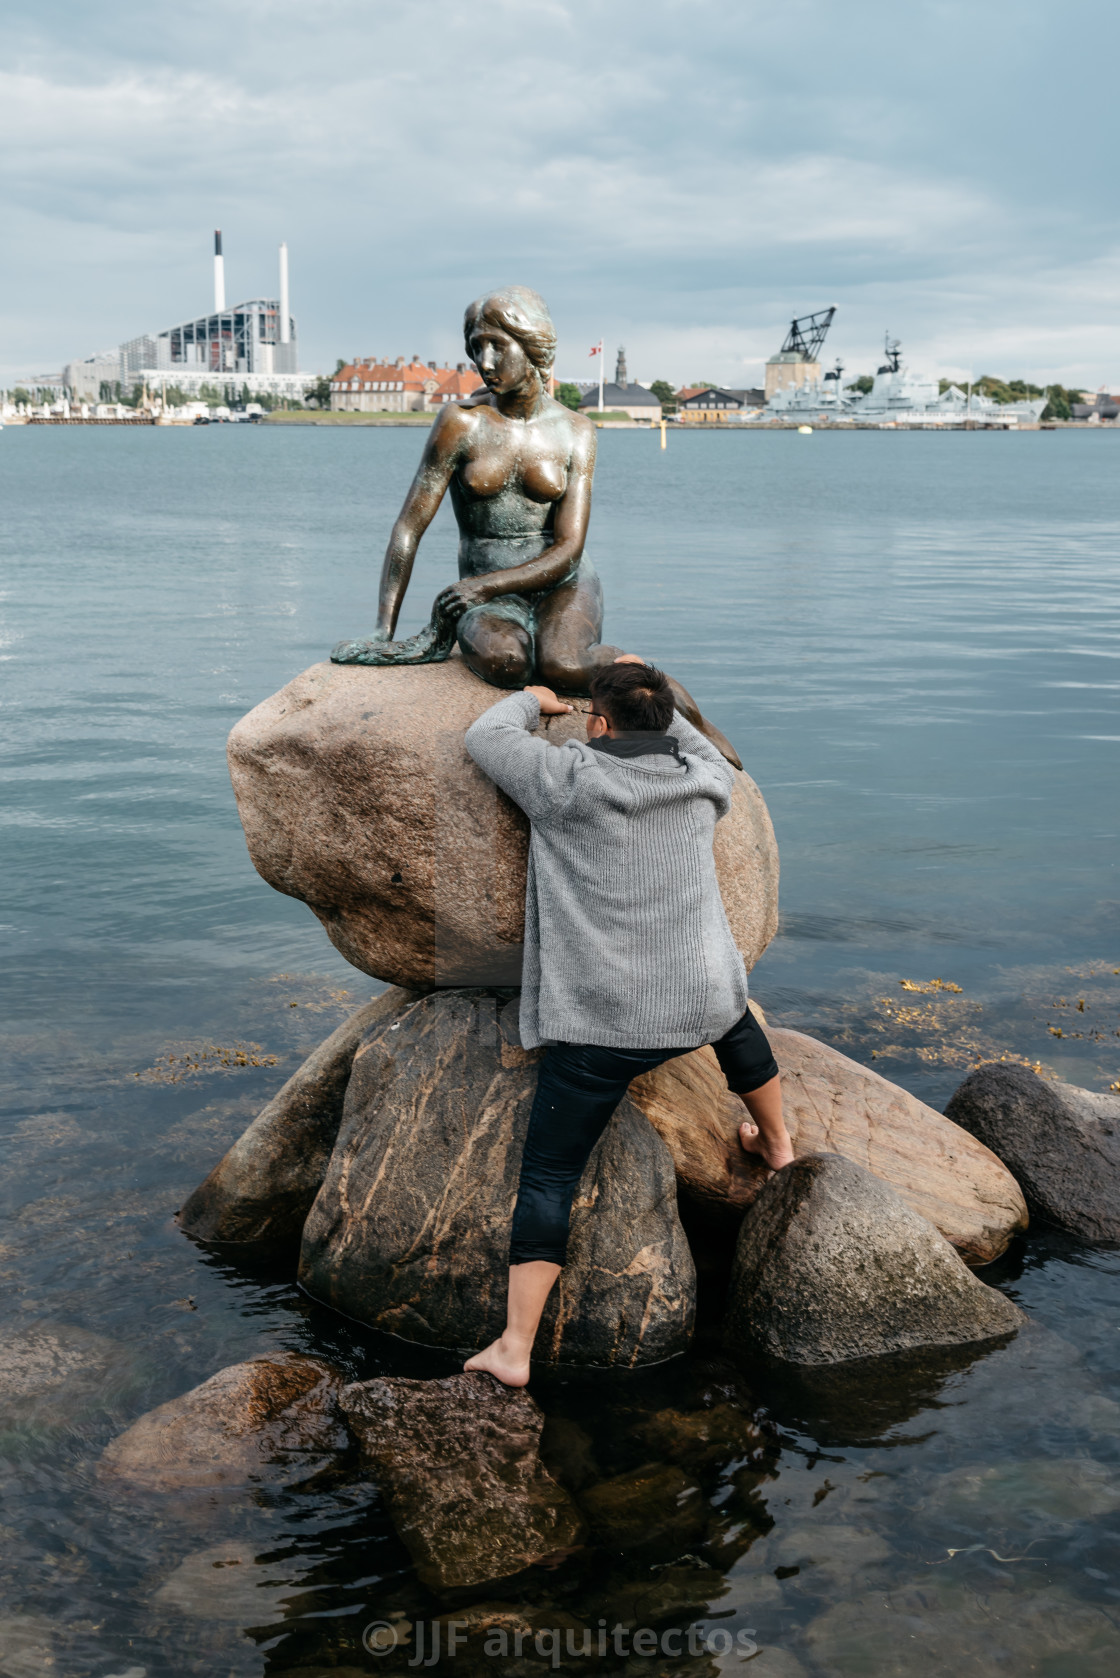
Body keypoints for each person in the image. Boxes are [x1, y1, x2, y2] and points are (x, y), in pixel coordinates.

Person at [462, 656, 794, 1387]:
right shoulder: (703, 781)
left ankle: (515, 1349)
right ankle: (777, 1147)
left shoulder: (569, 782)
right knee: (738, 1029)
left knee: (549, 1174)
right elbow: (704, 743)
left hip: (607, 1022)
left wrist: (533, 699)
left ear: (599, 724)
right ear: (662, 719)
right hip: (702, 998)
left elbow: (485, 735)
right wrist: (649, 695)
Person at [330, 284, 740, 768]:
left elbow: (569, 546)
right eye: (475, 348)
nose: (484, 360)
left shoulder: (575, 430)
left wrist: (481, 587)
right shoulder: (462, 423)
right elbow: (408, 528)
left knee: (563, 663)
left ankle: (675, 702)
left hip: (562, 581)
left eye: (497, 346)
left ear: (533, 347)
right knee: (506, 664)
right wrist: (384, 629)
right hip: (490, 589)